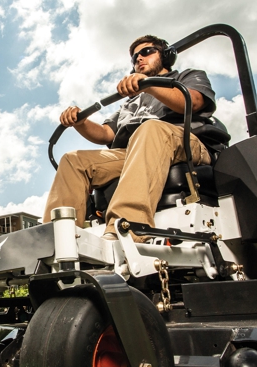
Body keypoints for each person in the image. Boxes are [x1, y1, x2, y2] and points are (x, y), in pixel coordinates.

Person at [43, 35, 216, 242]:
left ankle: (126, 228)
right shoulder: (131, 102)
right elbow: (106, 133)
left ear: (166, 56)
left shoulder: (185, 77)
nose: (139, 59)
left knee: (150, 128)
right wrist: (80, 122)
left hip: (185, 141)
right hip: (138, 149)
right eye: (135, 57)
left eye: (147, 52)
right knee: (74, 160)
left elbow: (193, 102)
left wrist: (148, 84)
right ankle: (56, 240)